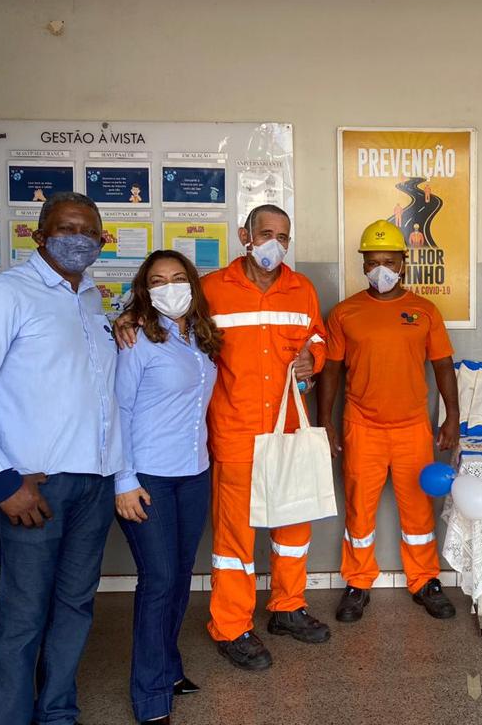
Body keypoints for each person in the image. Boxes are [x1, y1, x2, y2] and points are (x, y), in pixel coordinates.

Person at [116, 204, 329, 673]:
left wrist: (313, 358)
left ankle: (288, 605)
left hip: (288, 431)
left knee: (294, 526)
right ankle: (231, 626)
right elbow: (165, 314)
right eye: (266, 233)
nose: (275, 243)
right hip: (233, 433)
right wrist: (127, 317)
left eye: (283, 236)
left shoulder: (303, 289)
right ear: (244, 236)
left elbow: (318, 337)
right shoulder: (211, 289)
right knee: (235, 539)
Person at [0, 191, 120, 725]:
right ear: (38, 235)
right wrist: (0, 480)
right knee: (21, 617)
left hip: (94, 484)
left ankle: (57, 712)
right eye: (66, 228)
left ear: (103, 240)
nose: (79, 239)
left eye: (89, 231)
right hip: (31, 488)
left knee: (75, 607)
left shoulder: (93, 301)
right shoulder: (4, 295)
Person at [317, 219, 460, 623]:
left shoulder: (424, 311)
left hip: (412, 427)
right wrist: (325, 422)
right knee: (359, 511)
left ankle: (425, 580)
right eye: (372, 261)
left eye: (389, 261)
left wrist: (453, 416)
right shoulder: (345, 313)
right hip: (361, 426)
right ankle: (357, 582)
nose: (380, 269)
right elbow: (331, 370)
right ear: (363, 264)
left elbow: (443, 365)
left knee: (418, 510)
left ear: (403, 264)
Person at [114, 250, 221, 724]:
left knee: (178, 578)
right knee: (158, 580)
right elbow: (118, 410)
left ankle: (169, 668)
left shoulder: (201, 336)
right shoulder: (135, 338)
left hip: (194, 473)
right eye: (157, 281)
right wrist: (123, 480)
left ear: (193, 285)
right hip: (148, 477)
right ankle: (150, 696)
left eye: (178, 278)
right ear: (145, 289)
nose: (169, 287)